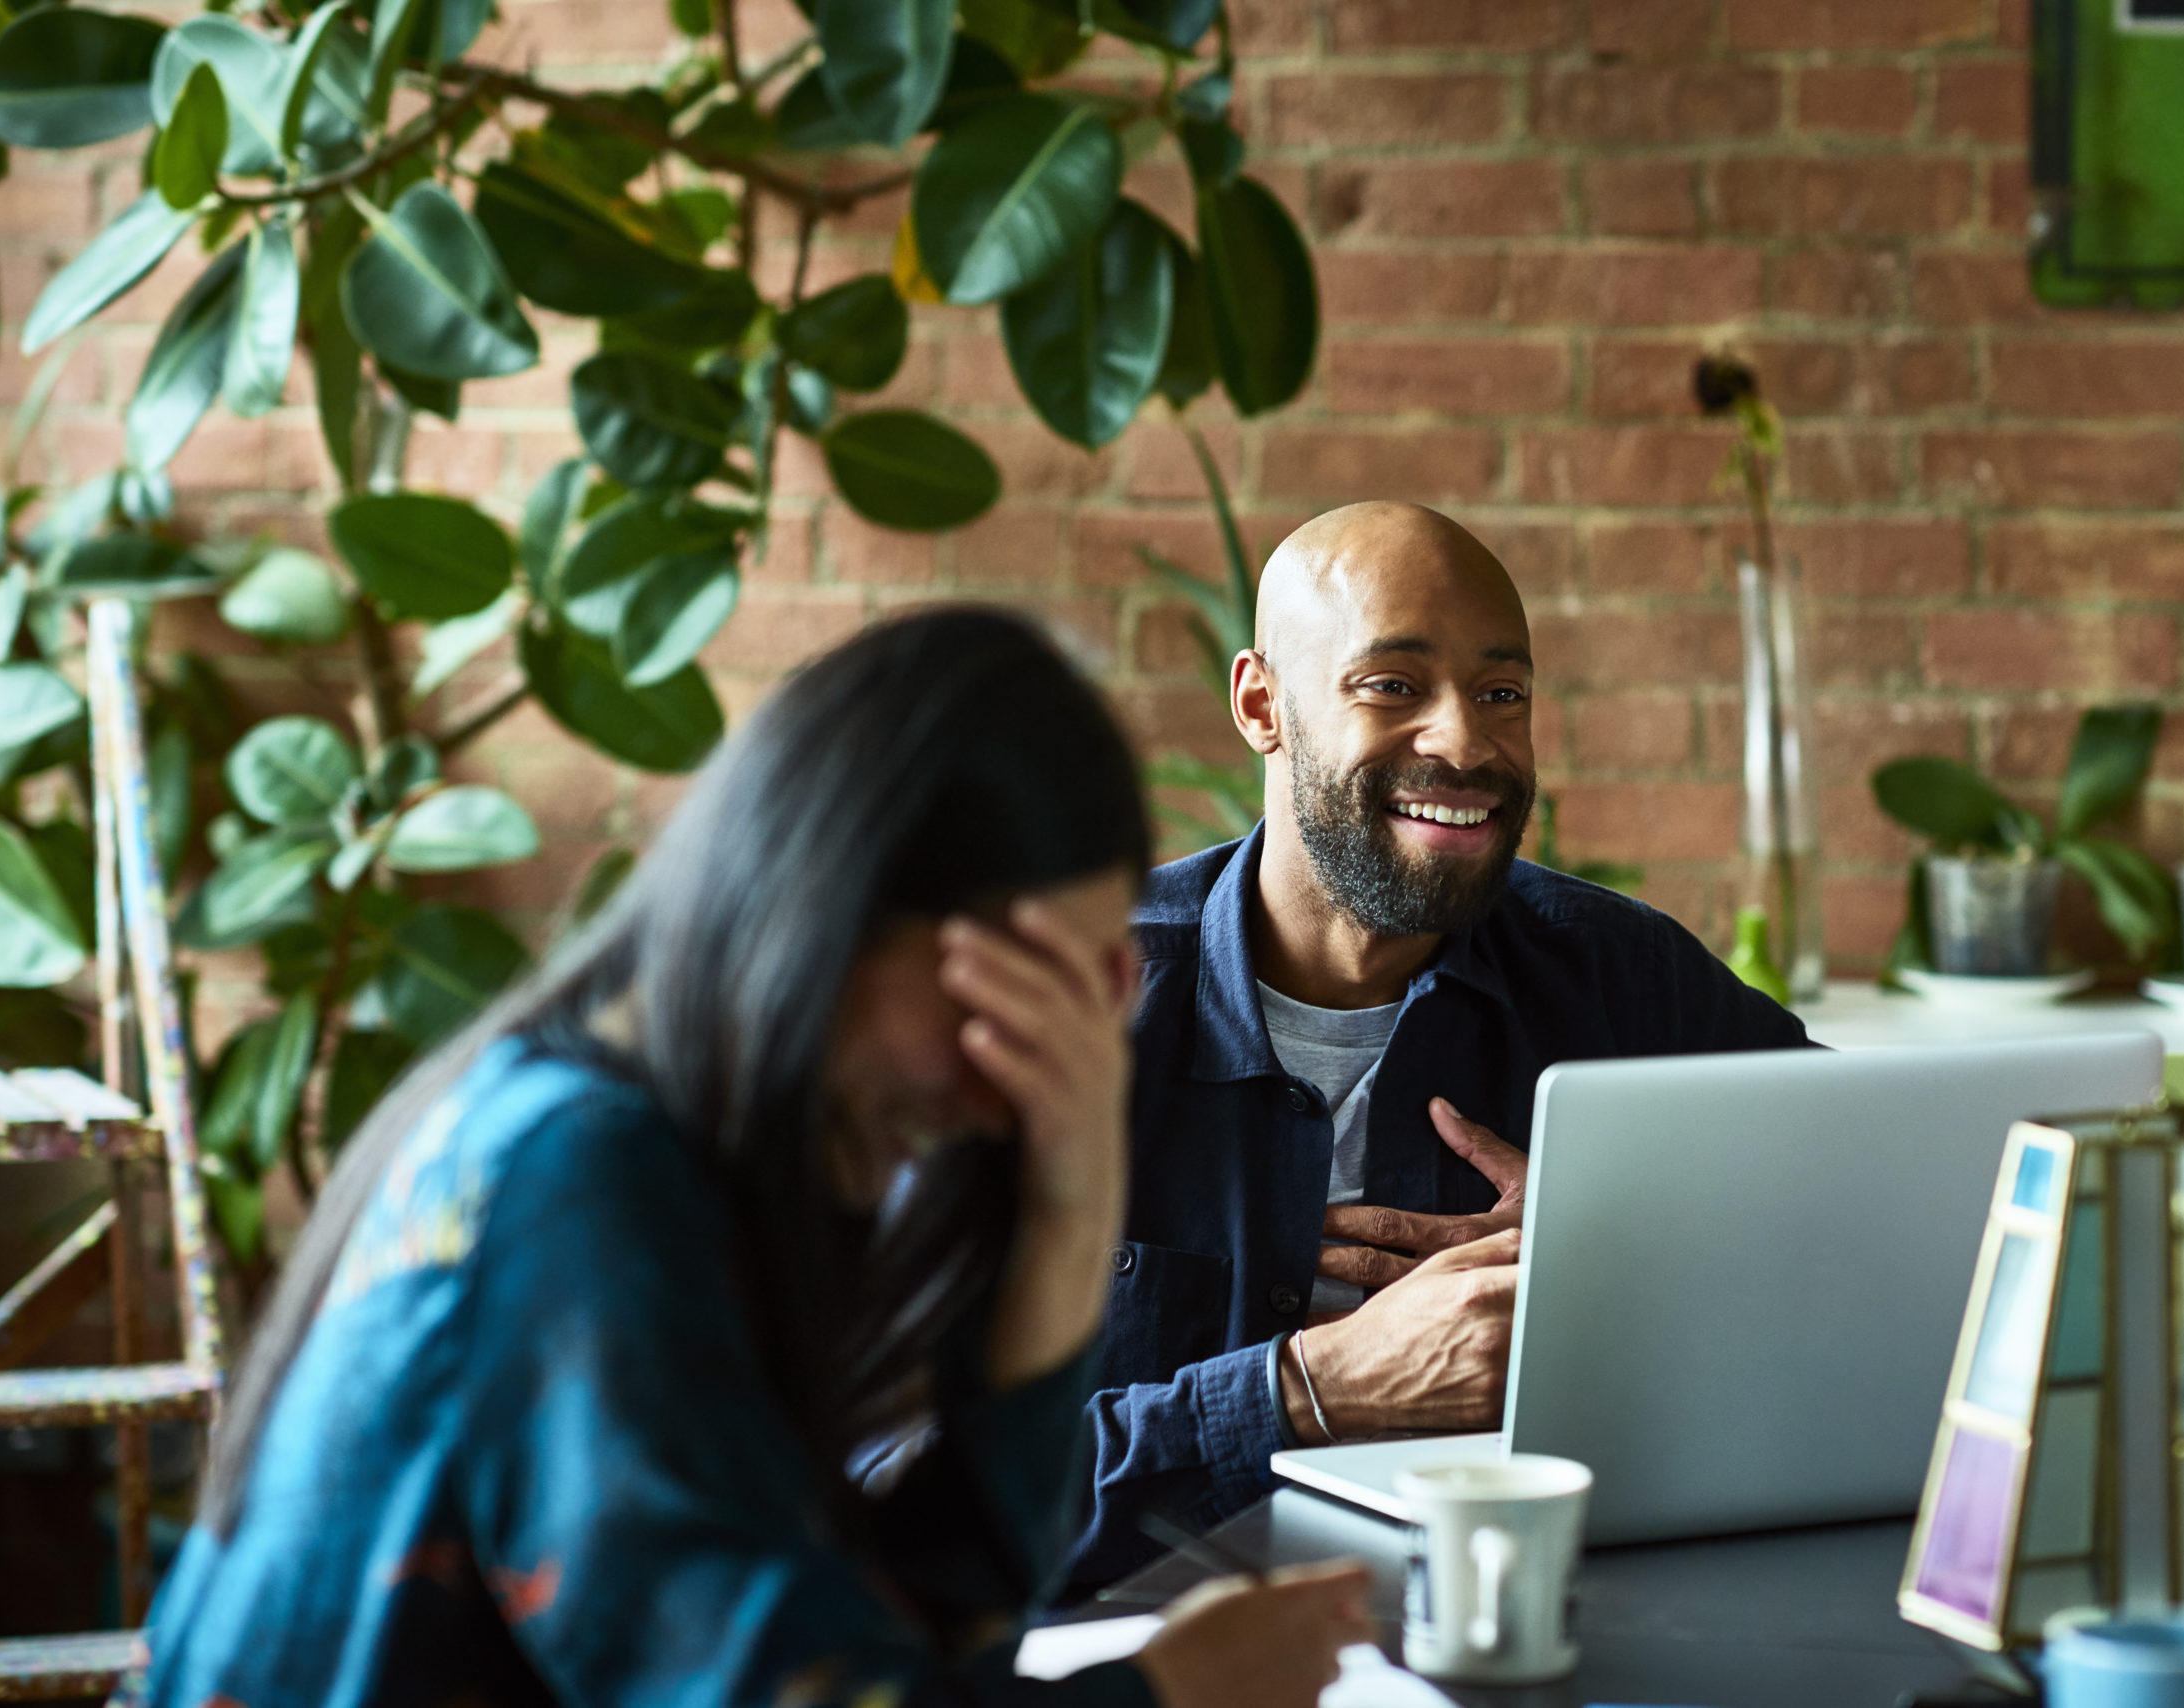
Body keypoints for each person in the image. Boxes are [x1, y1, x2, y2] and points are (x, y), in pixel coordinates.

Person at [146, 609, 1372, 1708]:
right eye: (1010, 987)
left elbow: (910, 1627)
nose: (1027, 1072)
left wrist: (1070, 1208)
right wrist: (1168, 1695)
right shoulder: (575, 1179)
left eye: (1084, 996)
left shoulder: (658, 1145)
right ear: (835, 903)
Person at [1069, 502, 1812, 1590]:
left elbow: (1889, 1239)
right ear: (1261, 703)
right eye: (1392, 686)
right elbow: (898, 1485)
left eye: (1501, 694)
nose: (1465, 742)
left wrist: (1624, 1257)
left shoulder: (1624, 981)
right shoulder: (1070, 1013)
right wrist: (1311, 1386)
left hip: (1529, 1635)